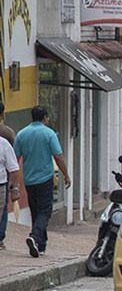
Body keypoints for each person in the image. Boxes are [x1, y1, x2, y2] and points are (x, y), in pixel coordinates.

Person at [14, 106, 71, 258]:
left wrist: (14, 181)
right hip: (45, 179)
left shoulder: (21, 134)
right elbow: (58, 156)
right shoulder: (49, 133)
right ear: (45, 117)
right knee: (45, 211)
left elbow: (16, 158)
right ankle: (34, 236)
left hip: (29, 179)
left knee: (35, 211)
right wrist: (66, 174)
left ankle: (40, 244)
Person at [0, 101, 18, 250]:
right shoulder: (7, 134)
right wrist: (14, 186)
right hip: (2, 179)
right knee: (3, 209)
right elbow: (13, 164)